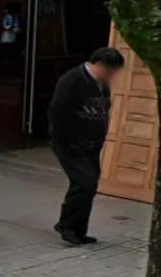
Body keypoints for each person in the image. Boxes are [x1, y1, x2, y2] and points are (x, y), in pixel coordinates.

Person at [48, 47, 125, 246]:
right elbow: (57, 112)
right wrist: (66, 142)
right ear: (99, 65)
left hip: (92, 145)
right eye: (111, 71)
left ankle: (78, 230)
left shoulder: (102, 84)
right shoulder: (72, 79)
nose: (112, 75)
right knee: (85, 183)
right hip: (71, 143)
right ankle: (67, 226)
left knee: (87, 186)